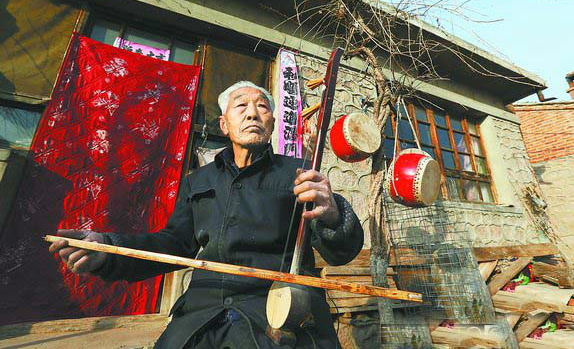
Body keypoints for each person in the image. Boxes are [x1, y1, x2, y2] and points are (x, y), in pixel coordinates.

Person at [49, 81, 364, 348]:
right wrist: (106, 249)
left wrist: (333, 214)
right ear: (225, 125)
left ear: (271, 124)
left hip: (275, 312)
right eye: (241, 106)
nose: (253, 112)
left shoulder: (299, 174)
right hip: (202, 312)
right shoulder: (198, 181)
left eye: (263, 108)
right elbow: (172, 243)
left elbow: (340, 252)